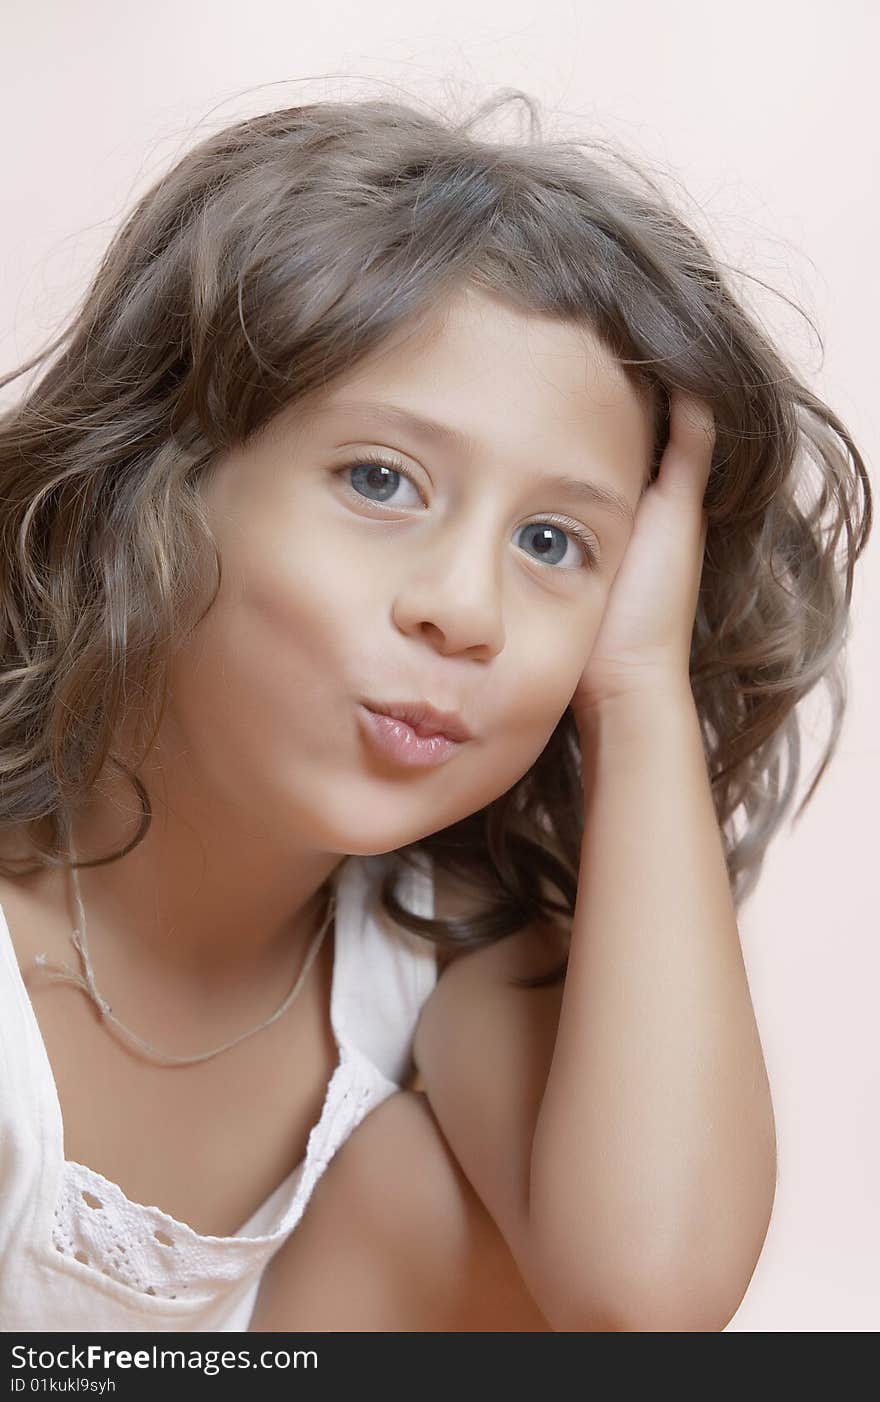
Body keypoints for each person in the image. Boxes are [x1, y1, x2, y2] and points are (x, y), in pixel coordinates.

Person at [0, 89, 871, 1333]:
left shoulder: (425, 956)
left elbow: (647, 1292)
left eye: (554, 541)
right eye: (378, 479)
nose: (465, 611)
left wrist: (635, 697)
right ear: (158, 483)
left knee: (450, 1201)